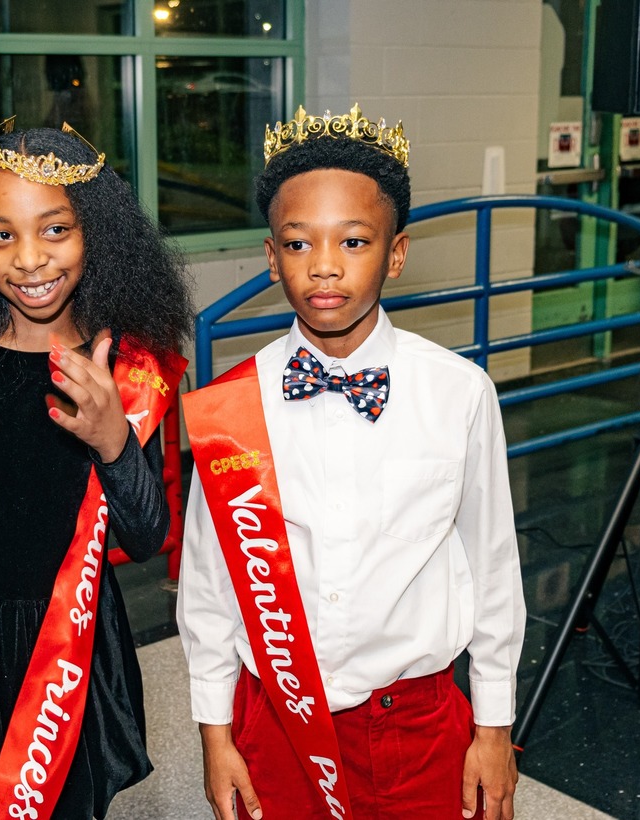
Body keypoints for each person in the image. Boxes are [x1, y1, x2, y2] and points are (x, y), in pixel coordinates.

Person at [176, 103, 526, 820]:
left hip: (419, 722)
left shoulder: (459, 393)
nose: (325, 266)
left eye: (355, 241)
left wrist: (494, 726)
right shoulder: (229, 408)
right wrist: (216, 734)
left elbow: (492, 567)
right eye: (299, 245)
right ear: (272, 258)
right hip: (275, 717)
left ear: (395, 253)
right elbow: (208, 588)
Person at [0, 120, 194, 820]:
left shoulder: (124, 362)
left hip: (71, 652)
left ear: (97, 234)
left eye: (55, 230)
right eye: (0, 235)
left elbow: (146, 538)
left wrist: (114, 441)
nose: (28, 260)